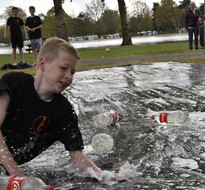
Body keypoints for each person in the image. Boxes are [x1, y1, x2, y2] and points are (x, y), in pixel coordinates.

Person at [0, 37, 122, 181]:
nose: (69, 77)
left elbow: (77, 156)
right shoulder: (16, 83)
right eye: (64, 68)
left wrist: (101, 174)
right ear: (43, 63)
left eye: (72, 72)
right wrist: (16, 174)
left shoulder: (63, 111)